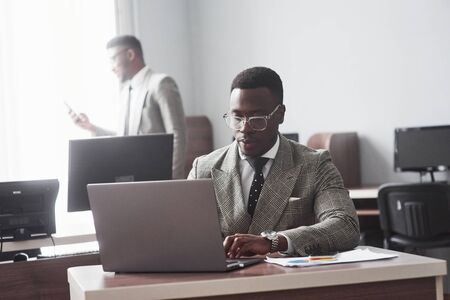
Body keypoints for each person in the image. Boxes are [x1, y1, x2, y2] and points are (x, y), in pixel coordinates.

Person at [188, 66, 360, 258]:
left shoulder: (315, 165)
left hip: (288, 283)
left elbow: (345, 225)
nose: (245, 128)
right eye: (237, 117)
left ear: (280, 115)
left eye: (257, 118)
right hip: (223, 284)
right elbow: (183, 235)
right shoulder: (203, 169)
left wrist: (275, 242)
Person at [71, 35, 186, 179]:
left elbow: (178, 136)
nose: (112, 67)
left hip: (159, 182)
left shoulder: (161, 84)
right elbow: (124, 140)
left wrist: (172, 183)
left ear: (130, 54)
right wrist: (91, 128)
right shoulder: (125, 92)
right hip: (131, 183)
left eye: (113, 59)